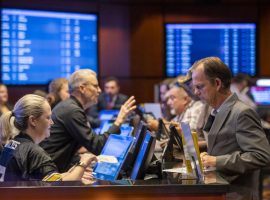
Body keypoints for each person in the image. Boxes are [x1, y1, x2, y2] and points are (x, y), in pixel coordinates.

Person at [191, 57, 270, 200]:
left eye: (200, 87)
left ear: (217, 83)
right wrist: (207, 156)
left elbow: (260, 156)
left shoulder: (242, 112)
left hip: (235, 194)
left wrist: (215, 161)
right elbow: (222, 146)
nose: (196, 92)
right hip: (220, 190)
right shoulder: (216, 110)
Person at [40, 69, 136, 172]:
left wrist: (79, 166)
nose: (99, 90)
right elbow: (98, 146)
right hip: (49, 174)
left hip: (56, 167)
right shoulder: (72, 110)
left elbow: (67, 149)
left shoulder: (71, 106)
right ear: (82, 88)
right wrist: (119, 121)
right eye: (95, 86)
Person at [0, 94, 97, 181]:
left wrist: (71, 174)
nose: (52, 122)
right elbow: (57, 188)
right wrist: (83, 163)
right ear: (33, 120)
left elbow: (42, 181)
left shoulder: (13, 143)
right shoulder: (34, 152)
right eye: (48, 117)